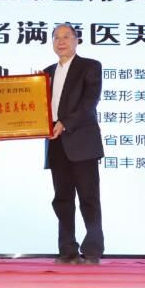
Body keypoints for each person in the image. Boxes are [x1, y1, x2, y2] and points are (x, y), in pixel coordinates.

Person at [43, 23, 105, 265]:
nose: (61, 41)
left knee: (89, 198)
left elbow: (89, 102)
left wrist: (64, 123)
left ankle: (93, 250)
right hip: (56, 143)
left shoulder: (90, 66)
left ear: (76, 40)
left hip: (82, 142)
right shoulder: (45, 73)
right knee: (62, 199)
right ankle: (67, 250)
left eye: (66, 36)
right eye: (56, 37)